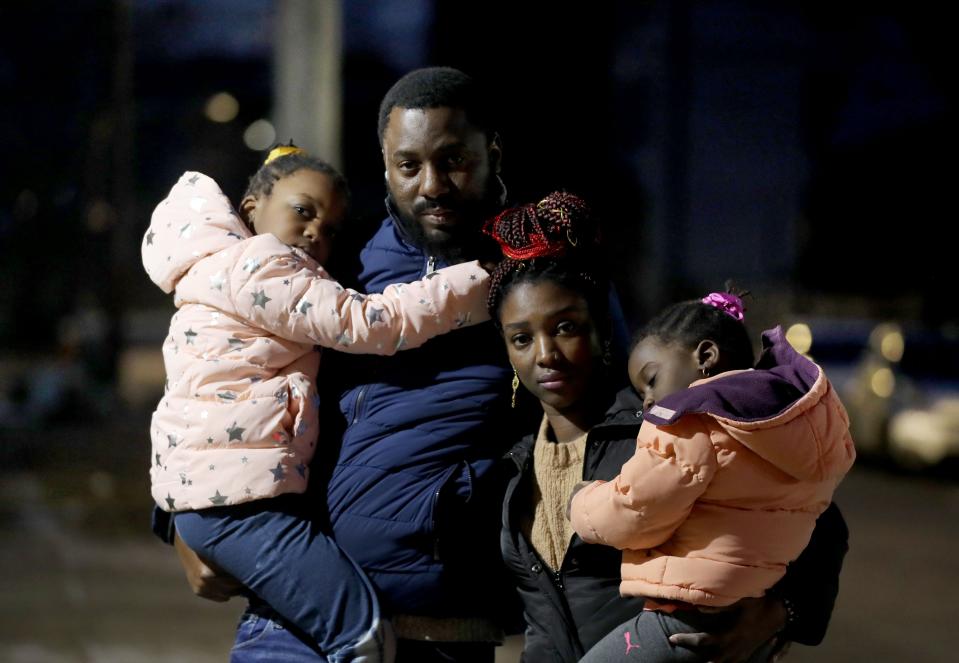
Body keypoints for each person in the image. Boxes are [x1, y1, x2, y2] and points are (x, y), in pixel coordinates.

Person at [168, 67, 527, 663]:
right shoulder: (337, 261)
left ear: (491, 153)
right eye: (409, 166)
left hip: (440, 634)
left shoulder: (536, 277)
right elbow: (215, 369)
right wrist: (181, 517)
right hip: (290, 613)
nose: (432, 185)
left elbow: (606, 435)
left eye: (454, 160)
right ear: (385, 167)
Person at [486, 191, 853, 662]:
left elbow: (820, 524)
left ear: (600, 327)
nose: (545, 354)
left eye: (565, 327)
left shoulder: (665, 427)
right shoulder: (515, 458)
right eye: (522, 338)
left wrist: (773, 617)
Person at [569, 290, 856, 662]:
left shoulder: (688, 424)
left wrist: (582, 501)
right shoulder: (791, 430)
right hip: (747, 618)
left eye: (651, 379)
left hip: (683, 619)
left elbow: (634, 511)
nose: (647, 402)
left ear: (705, 356)